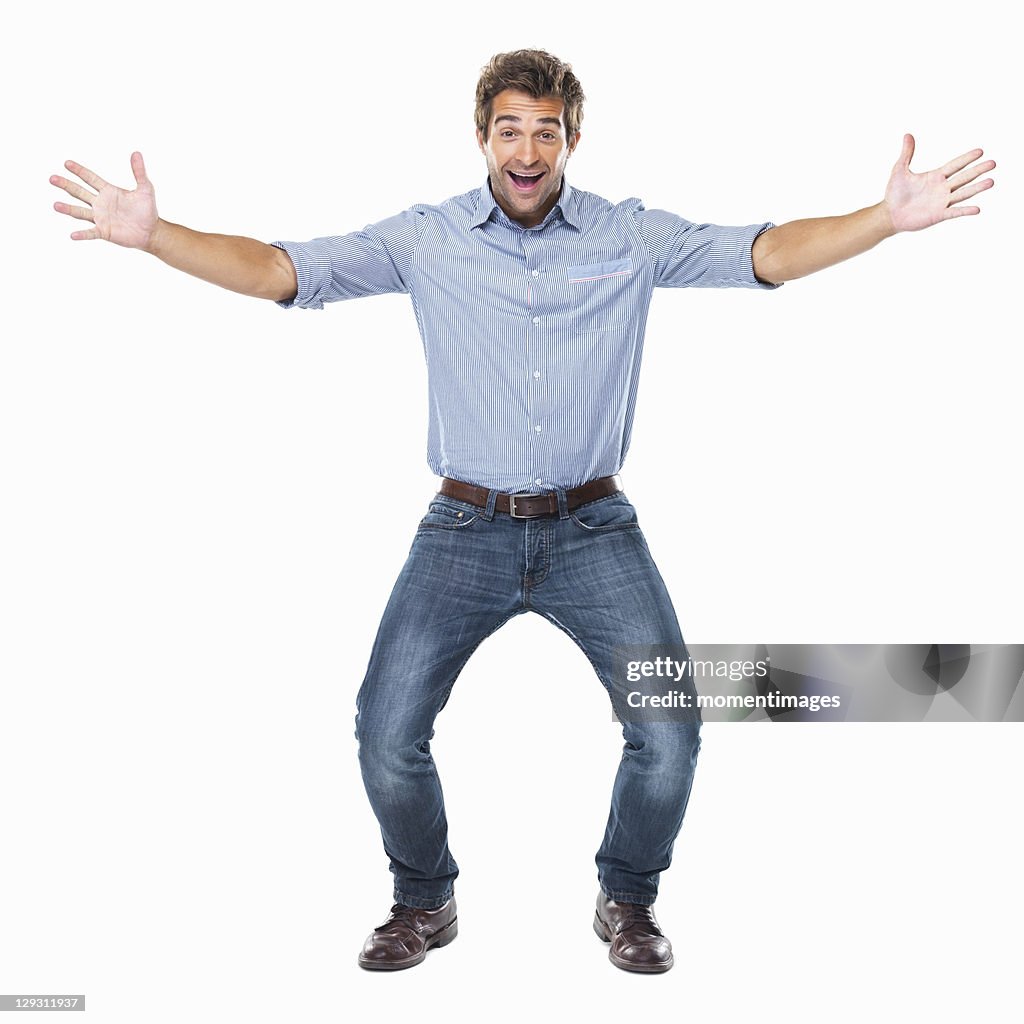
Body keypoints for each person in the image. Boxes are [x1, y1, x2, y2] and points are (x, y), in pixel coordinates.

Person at [49, 49, 994, 975]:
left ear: (573, 139)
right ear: (482, 137)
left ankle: (628, 896)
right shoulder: (426, 240)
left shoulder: (628, 237)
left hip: (595, 530)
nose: (528, 149)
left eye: (548, 131)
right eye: (511, 130)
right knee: (385, 730)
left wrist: (885, 218)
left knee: (671, 730)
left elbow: (766, 253)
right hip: (462, 529)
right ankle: (424, 899)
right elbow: (279, 270)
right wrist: (156, 237)